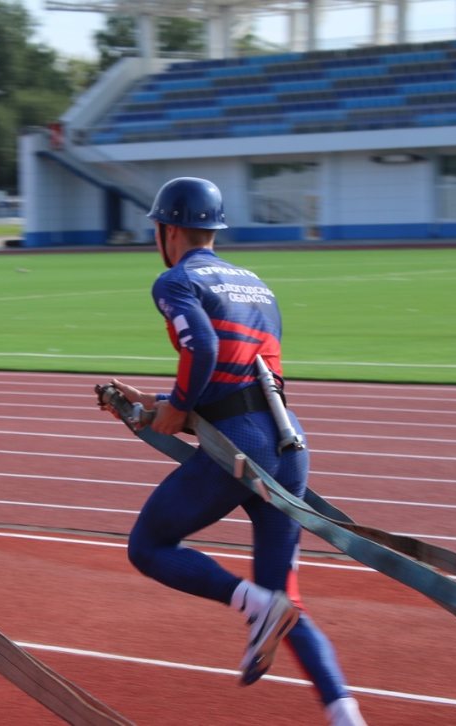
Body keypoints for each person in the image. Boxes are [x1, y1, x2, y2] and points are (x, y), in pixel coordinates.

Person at [103, 178, 365, 726]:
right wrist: (157, 406)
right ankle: (346, 714)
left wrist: (174, 405)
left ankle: (255, 606)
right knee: (284, 599)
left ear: (168, 229)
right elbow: (241, 376)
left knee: (149, 545)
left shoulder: (174, 280)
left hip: (242, 446)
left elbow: (204, 347)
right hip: (288, 442)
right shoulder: (255, 284)